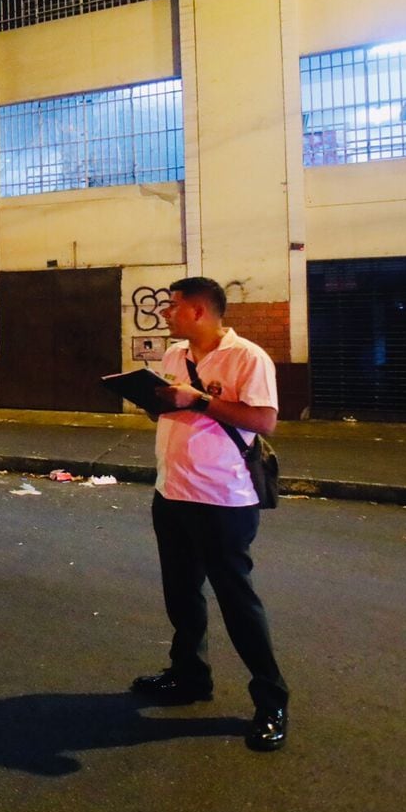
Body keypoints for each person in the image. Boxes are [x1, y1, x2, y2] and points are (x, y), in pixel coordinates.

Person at [131, 276, 289, 752]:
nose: (165, 312)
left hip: (224, 499)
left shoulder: (248, 357)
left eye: (173, 306)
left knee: (237, 601)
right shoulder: (177, 354)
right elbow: (173, 410)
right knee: (181, 595)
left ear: (199, 310)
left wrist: (196, 398)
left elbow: (264, 420)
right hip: (172, 492)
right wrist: (153, 399)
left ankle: (271, 700)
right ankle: (189, 677)